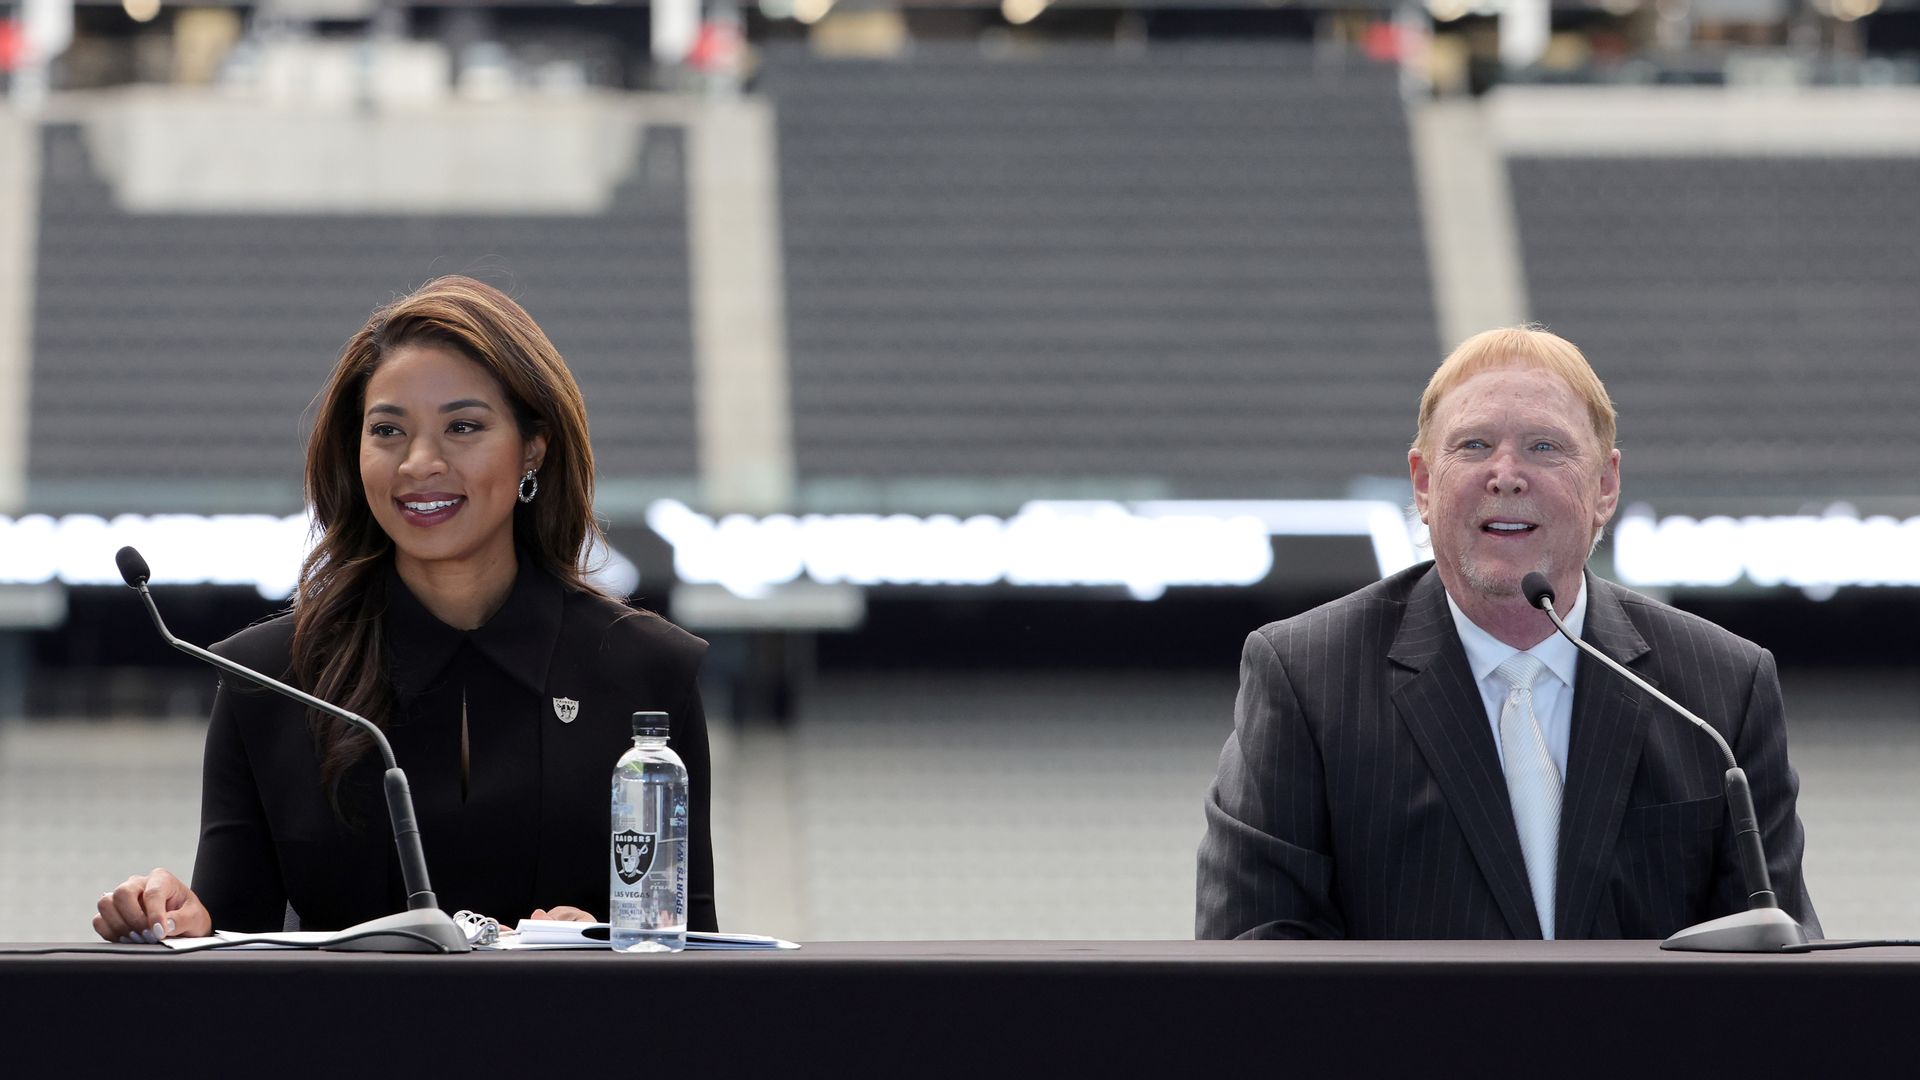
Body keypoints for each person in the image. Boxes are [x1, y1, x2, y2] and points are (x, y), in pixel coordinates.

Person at [94, 276, 718, 942]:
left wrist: (599, 942)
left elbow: (693, 953)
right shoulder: (269, 678)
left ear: (533, 447)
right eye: (388, 430)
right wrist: (173, 919)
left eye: (464, 427)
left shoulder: (648, 671)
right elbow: (231, 940)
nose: (420, 462)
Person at [1196, 326, 1819, 940]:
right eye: (1472, 446)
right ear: (1422, 484)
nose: (1506, 475)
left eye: (1545, 447)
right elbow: (1253, 947)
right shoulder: (1306, 676)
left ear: (1605, 485)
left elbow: (1775, 959)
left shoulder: (1721, 691)